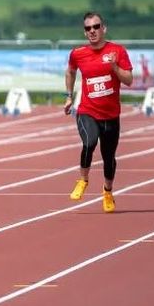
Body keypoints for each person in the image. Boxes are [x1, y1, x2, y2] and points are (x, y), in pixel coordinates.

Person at [64, 12, 133, 213]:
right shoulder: (78, 54)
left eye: (96, 27)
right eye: (88, 28)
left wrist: (114, 66)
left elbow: (128, 80)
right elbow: (70, 71)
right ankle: (83, 179)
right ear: (84, 32)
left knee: (108, 157)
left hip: (111, 115)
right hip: (87, 110)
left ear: (104, 28)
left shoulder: (117, 51)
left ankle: (108, 191)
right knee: (89, 142)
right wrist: (69, 96)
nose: (92, 31)